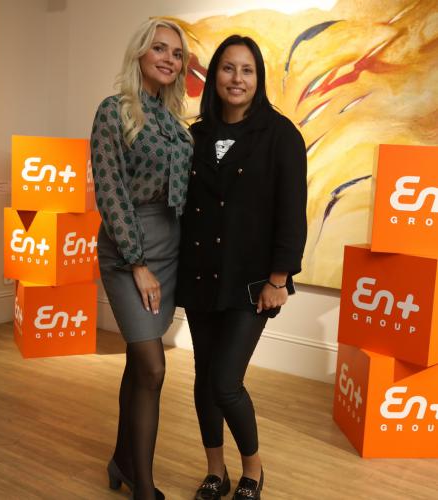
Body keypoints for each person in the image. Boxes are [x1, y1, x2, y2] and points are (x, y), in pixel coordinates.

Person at [176, 35, 307, 500]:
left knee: (225, 381)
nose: (237, 78)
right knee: (203, 378)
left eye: (246, 70)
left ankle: (253, 470)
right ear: (215, 76)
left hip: (251, 282)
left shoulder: (280, 135)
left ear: (258, 78)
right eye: (228, 68)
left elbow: (292, 212)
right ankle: (216, 471)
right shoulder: (196, 135)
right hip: (199, 276)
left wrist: (279, 278)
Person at [90, 19, 192, 500]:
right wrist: (137, 263)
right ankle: (144, 489)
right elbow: (110, 192)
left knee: (138, 364)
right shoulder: (113, 112)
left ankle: (122, 461)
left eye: (177, 53)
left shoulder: (176, 124)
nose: (169, 59)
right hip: (127, 250)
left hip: (169, 249)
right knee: (153, 367)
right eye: (160, 49)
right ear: (140, 53)